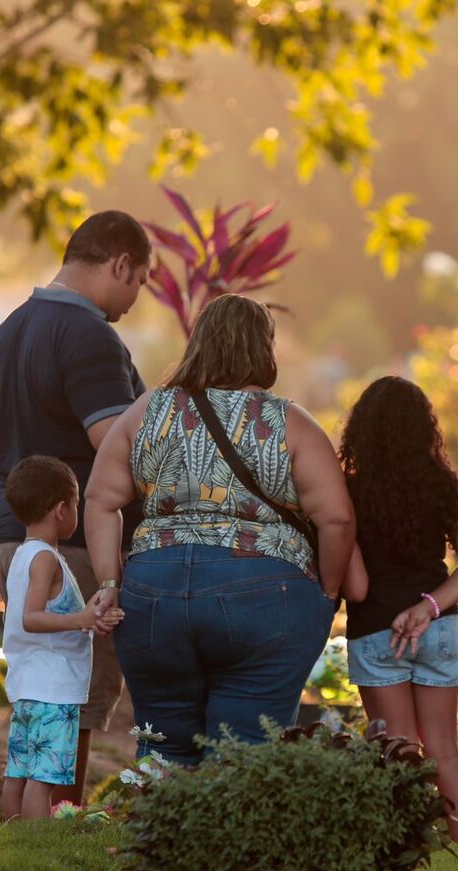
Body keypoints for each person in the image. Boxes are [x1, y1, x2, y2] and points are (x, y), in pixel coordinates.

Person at [83, 294, 356, 766]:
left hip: (154, 593)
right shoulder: (287, 421)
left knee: (165, 746)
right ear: (263, 347)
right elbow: (337, 519)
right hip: (264, 590)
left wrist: (110, 583)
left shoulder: (146, 411)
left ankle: (159, 832)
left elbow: (100, 500)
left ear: (199, 341)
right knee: (246, 748)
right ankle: (234, 831)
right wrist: (327, 591)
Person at [0, 210, 150, 802]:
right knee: (73, 694)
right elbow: (114, 440)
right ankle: (57, 823)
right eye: (137, 284)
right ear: (120, 263)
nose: (132, 302)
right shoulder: (91, 335)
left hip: (8, 531)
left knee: (38, 686)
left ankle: (24, 823)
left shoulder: (9, 329)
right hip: (70, 540)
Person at [339, 376, 458, 840]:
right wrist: (428, 606)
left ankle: (405, 860)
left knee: (397, 752)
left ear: (361, 430)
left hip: (376, 631)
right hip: (437, 627)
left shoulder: (349, 491)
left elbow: (358, 587)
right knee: (445, 751)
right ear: (422, 428)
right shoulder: (439, 484)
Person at [0, 456, 123, 820]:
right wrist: (82, 618)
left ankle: (12, 839)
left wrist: (91, 615)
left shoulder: (26, 555)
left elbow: (51, 611)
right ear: (61, 509)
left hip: (28, 686)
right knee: (43, 779)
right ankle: (38, 848)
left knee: (18, 774)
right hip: (53, 691)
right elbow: (32, 619)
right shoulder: (45, 560)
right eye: (77, 505)